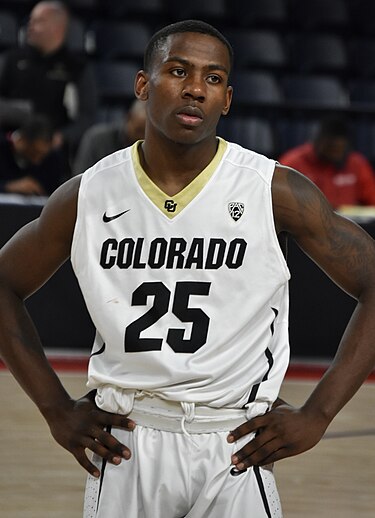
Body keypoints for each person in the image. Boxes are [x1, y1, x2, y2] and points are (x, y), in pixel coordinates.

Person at [0, 19, 375, 518]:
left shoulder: (273, 190)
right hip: (128, 437)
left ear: (228, 99)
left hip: (233, 442)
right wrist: (54, 407)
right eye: (178, 71)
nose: (196, 88)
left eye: (213, 78)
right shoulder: (89, 193)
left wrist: (318, 413)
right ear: (142, 85)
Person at [0, 1, 97, 159]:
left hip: (54, 151)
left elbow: (87, 116)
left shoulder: (76, 67)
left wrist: (61, 137)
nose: (29, 26)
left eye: (38, 21)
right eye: (30, 20)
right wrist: (24, 115)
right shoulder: (11, 59)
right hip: (10, 146)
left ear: (57, 27)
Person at [279, 116, 375, 208]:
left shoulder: (357, 163)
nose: (335, 153)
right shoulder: (293, 162)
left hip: (348, 222)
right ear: (318, 141)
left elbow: (372, 200)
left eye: (339, 149)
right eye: (331, 148)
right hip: (304, 222)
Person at [73, 99, 146, 174]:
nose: (141, 138)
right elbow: (81, 179)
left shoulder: (151, 150)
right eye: (139, 131)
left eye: (146, 134)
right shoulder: (97, 140)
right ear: (128, 117)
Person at [0, 114, 67, 195]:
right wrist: (9, 186)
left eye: (42, 156)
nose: (37, 161)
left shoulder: (53, 158)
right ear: (21, 141)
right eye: (33, 153)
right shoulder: (3, 147)